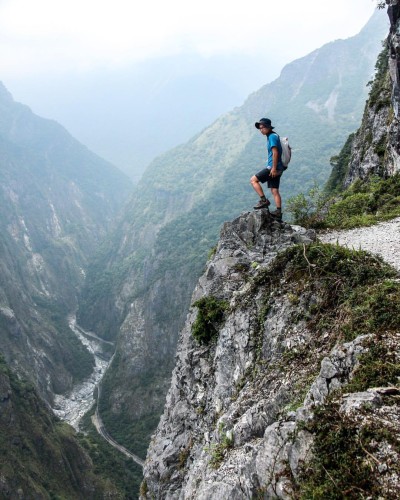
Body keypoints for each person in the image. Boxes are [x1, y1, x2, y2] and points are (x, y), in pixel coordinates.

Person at [250, 117, 283, 218]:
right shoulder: (273, 135)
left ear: (268, 127)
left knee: (253, 180)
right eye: (260, 128)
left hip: (272, 167)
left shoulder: (272, 137)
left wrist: (273, 168)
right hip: (278, 168)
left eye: (263, 127)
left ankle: (264, 200)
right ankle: (278, 212)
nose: (261, 130)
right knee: (274, 190)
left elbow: (275, 152)